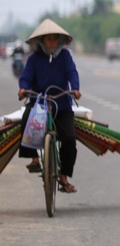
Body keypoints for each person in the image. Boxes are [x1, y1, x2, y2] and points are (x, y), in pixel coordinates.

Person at [16, 19, 81, 193]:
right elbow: (26, 77)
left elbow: (72, 74)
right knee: (26, 118)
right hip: (39, 104)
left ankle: (63, 176)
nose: (52, 42)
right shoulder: (34, 59)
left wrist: (75, 89)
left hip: (62, 105)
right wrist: (23, 88)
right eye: (48, 39)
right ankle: (34, 158)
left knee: (69, 140)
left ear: (60, 40)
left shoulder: (66, 57)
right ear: (42, 41)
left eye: (55, 39)